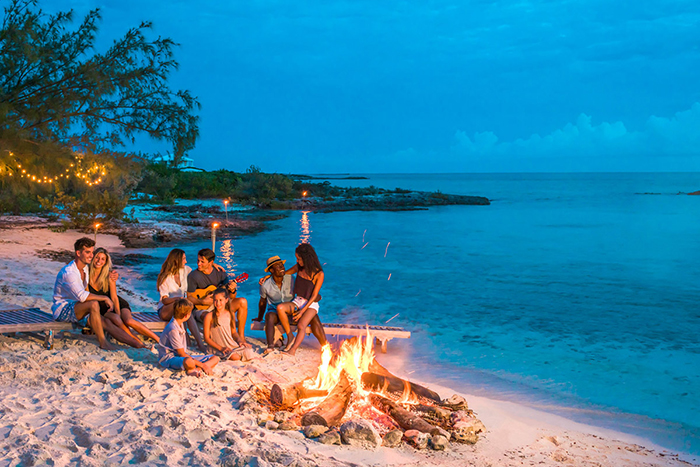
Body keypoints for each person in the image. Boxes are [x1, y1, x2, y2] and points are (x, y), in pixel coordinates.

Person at [52, 237, 139, 350]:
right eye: (87, 252)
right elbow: (82, 296)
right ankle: (103, 342)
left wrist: (113, 275)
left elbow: (100, 272)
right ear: (78, 253)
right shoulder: (69, 273)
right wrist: (104, 298)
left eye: (92, 252)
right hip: (63, 311)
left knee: (107, 323)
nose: (91, 256)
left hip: (79, 309)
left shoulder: (85, 270)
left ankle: (138, 345)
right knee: (93, 304)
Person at [255, 255, 327, 355]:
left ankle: (325, 346)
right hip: (276, 313)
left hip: (292, 310)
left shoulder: (291, 278)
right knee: (269, 316)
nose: (282, 268)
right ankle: (270, 346)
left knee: (313, 316)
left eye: (282, 265)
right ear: (271, 270)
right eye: (278, 266)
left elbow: (305, 292)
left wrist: (316, 297)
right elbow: (262, 302)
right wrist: (259, 317)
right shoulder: (265, 285)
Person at [89, 248, 160, 347]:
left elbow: (114, 297)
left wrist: (117, 313)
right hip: (102, 308)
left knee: (128, 321)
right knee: (117, 320)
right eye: (97, 258)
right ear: (92, 258)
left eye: (102, 259)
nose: (99, 261)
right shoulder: (86, 275)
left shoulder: (109, 275)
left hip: (117, 303)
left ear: (105, 262)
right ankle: (139, 343)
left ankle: (158, 339)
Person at [187, 248, 249, 346]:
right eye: (198, 260)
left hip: (219, 304)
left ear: (211, 262)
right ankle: (217, 341)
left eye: (202, 262)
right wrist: (202, 302)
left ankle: (241, 336)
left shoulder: (220, 273)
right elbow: (189, 297)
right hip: (201, 308)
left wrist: (232, 289)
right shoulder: (193, 276)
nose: (199, 264)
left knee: (243, 301)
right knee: (210, 316)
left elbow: (230, 296)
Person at [274, 243, 325, 356]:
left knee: (301, 325)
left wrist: (302, 312)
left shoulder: (319, 274)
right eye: (296, 258)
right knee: (280, 308)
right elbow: (283, 274)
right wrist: (267, 278)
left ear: (306, 258)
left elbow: (313, 296)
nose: (297, 261)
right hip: (298, 300)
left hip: (311, 304)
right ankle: (289, 335)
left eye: (299, 259)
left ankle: (293, 350)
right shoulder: (298, 268)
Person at [157, 298, 220, 377]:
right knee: (189, 361)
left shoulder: (180, 322)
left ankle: (198, 369)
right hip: (169, 358)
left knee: (215, 358)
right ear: (186, 315)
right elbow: (181, 354)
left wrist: (201, 365)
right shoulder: (173, 329)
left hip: (181, 356)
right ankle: (193, 369)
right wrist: (203, 365)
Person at [203, 288, 256, 361]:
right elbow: (206, 338)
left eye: (220, 300)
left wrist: (240, 341)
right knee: (235, 357)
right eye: (215, 300)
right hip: (217, 348)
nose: (218, 303)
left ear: (226, 300)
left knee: (249, 351)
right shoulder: (209, 316)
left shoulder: (230, 314)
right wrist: (221, 348)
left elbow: (234, 332)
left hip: (230, 345)